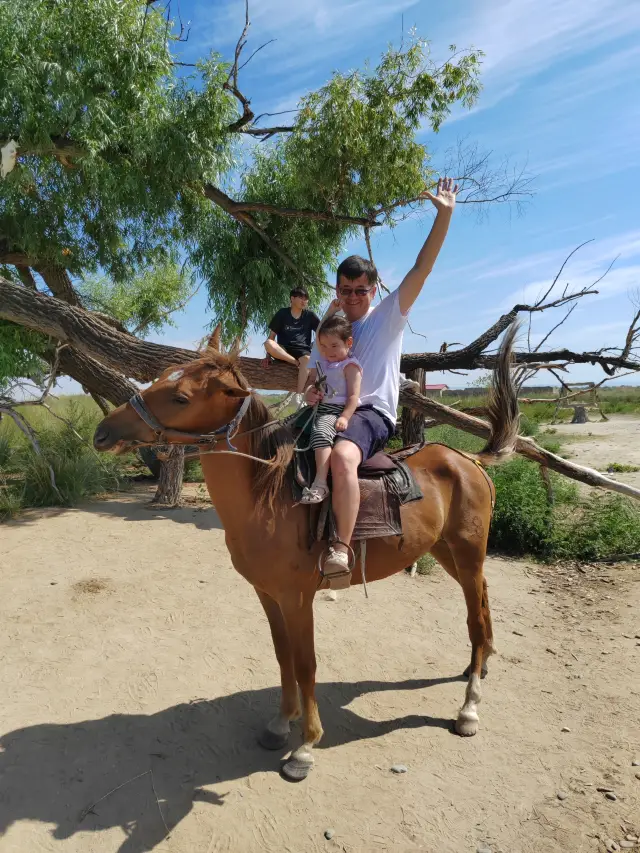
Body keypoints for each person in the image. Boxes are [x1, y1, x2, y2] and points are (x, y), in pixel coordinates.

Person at [305, 176, 459, 577]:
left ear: (373, 290)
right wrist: (310, 392)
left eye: (360, 289)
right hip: (332, 410)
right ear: (337, 291)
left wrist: (443, 216)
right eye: (345, 290)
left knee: (341, 456)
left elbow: (421, 269)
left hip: (370, 414)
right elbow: (317, 373)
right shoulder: (335, 333)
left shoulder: (387, 318)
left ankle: (341, 548)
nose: (353, 296)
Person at [299, 315, 362, 504]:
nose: (328, 351)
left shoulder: (350, 367)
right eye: (324, 347)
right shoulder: (325, 365)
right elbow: (315, 386)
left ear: (348, 342)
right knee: (289, 426)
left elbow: (353, 396)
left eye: (334, 346)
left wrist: (344, 417)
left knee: (320, 432)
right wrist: (311, 393)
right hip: (320, 407)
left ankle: (320, 482)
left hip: (336, 410)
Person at [263, 287, 321, 406]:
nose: (304, 301)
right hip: (283, 351)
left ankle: (298, 395)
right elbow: (271, 337)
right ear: (292, 298)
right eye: (301, 298)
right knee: (268, 343)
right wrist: (268, 356)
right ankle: (295, 363)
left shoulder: (310, 315)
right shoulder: (282, 313)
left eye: (306, 299)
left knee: (307, 359)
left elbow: (322, 332)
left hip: (302, 350)